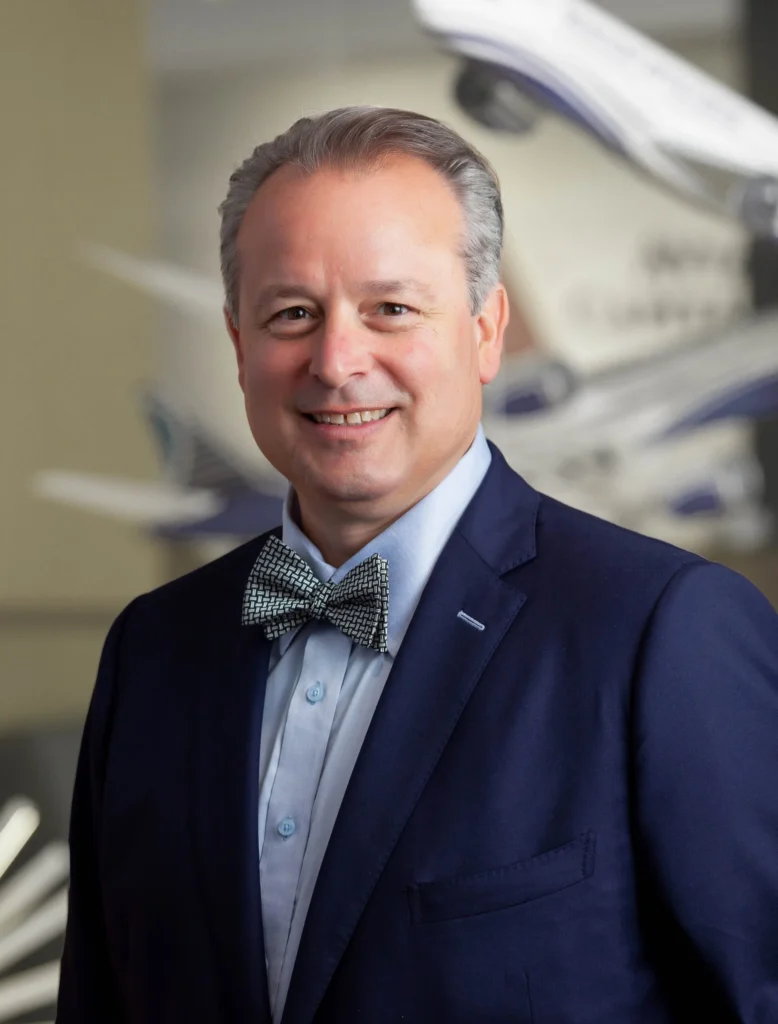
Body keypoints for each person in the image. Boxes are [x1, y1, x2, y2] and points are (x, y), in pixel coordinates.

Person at [57, 106, 778, 1024]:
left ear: (486, 331)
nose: (336, 361)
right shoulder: (151, 650)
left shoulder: (663, 630)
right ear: (239, 345)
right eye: (292, 314)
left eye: (391, 309)